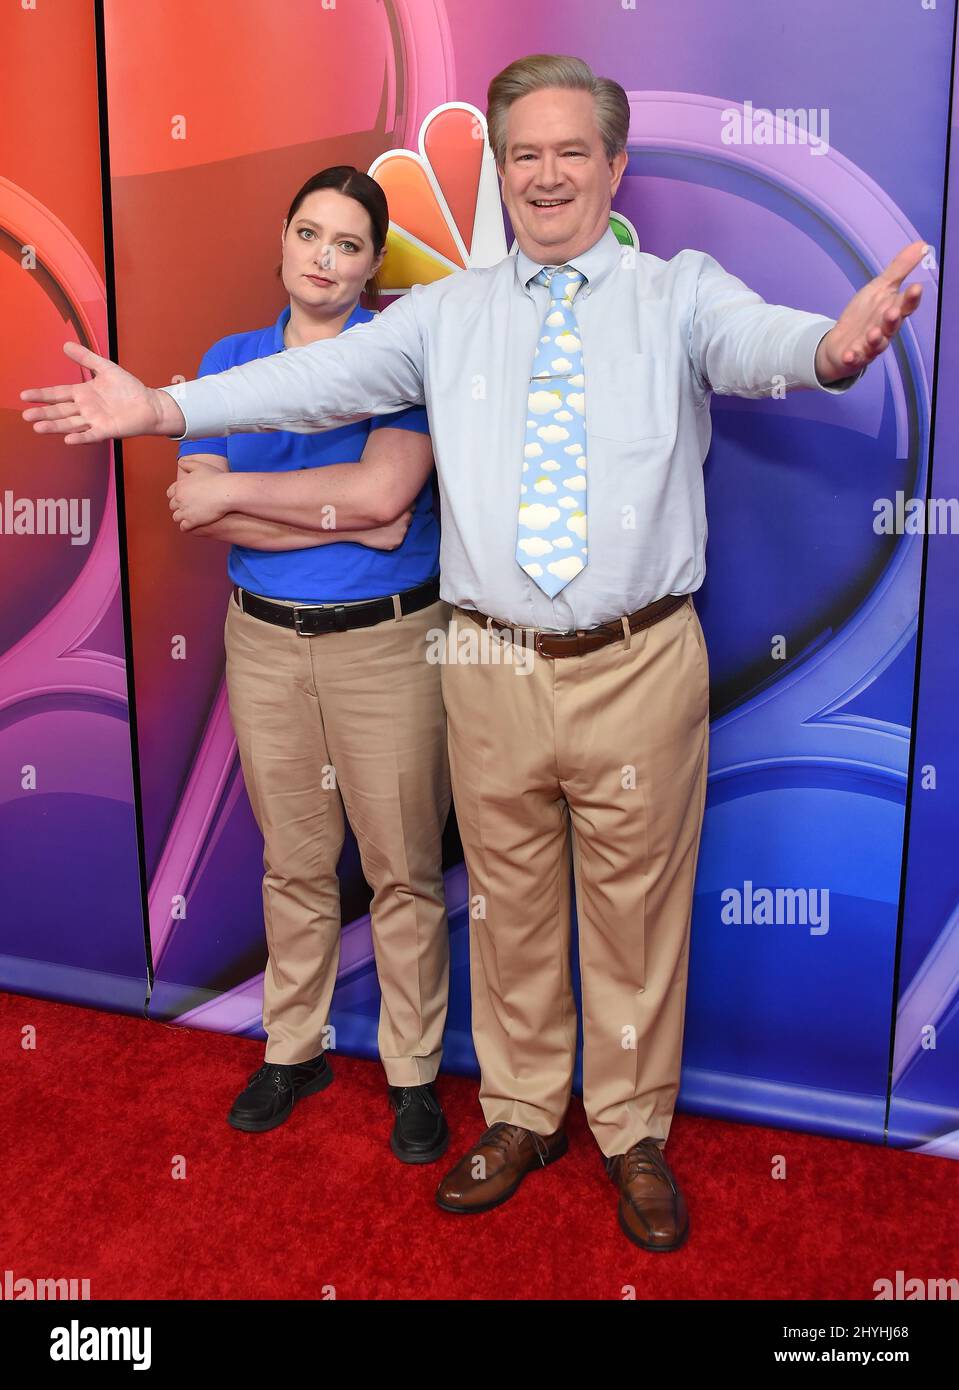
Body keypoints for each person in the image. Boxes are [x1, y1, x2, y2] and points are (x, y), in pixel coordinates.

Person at [22, 55, 923, 1250]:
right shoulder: (443, 317)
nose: (545, 175)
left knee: (636, 915)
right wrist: (163, 407)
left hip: (637, 662)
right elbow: (309, 379)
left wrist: (832, 347)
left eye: (569, 152)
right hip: (489, 662)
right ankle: (517, 1108)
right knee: (505, 909)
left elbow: (764, 342)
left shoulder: (677, 294)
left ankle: (631, 1129)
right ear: (500, 171)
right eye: (523, 154)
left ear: (609, 165)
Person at [164, 165, 454, 1163]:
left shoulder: (398, 353)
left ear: (374, 265)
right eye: (306, 234)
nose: (321, 258)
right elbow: (194, 505)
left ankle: (413, 1074)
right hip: (266, 640)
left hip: (387, 641)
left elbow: (384, 507)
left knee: (403, 870)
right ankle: (294, 1047)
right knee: (291, 859)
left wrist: (250, 503)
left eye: (344, 244)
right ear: (281, 242)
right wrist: (331, 511)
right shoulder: (229, 358)